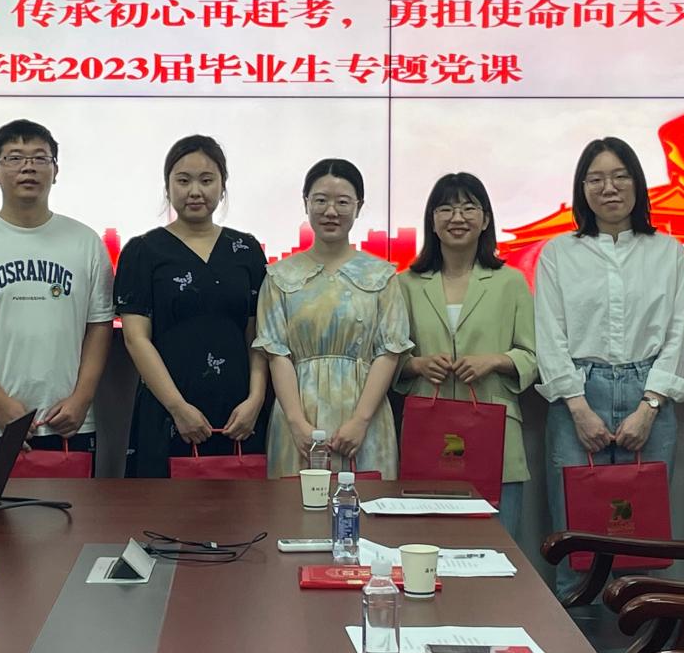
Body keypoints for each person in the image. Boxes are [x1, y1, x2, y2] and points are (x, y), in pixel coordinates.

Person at [535, 137, 684, 598]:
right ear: (582, 188)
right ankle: (576, 629)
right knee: (576, 536)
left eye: (620, 176)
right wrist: (579, 408)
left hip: (648, 393)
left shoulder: (669, 252)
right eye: (597, 179)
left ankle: (641, 633)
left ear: (638, 184)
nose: (609, 188)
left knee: (640, 533)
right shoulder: (558, 253)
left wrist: (649, 407)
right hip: (578, 393)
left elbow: (678, 334)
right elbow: (549, 334)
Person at [0, 120, 115, 477]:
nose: (28, 167)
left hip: (68, 421)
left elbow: (100, 325)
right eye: (14, 158)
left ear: (55, 171)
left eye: (40, 158)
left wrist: (82, 399)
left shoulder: (86, 242)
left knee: (77, 514)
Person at [116, 136, 269, 478]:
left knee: (242, 508)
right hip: (167, 409)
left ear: (223, 186)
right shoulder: (142, 251)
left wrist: (256, 400)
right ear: (168, 186)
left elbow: (258, 335)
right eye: (183, 181)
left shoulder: (246, 249)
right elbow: (136, 338)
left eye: (207, 180)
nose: (195, 191)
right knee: (161, 509)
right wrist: (177, 408)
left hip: (239, 413)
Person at [396, 173, 538, 533]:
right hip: (428, 432)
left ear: (486, 219)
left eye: (468, 208)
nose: (457, 218)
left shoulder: (510, 281)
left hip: (494, 431)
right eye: (445, 208)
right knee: (429, 546)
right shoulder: (406, 284)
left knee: (499, 547)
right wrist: (418, 364)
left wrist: (495, 360)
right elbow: (390, 359)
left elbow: (533, 356)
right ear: (432, 220)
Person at [255, 158, 412, 481]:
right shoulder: (280, 276)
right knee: (294, 506)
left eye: (342, 202)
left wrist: (361, 421)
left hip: (365, 416)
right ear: (306, 203)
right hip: (298, 414)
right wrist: (296, 423)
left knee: (368, 503)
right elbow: (277, 353)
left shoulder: (381, 275)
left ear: (358, 206)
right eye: (321, 200)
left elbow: (389, 352)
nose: (331, 211)